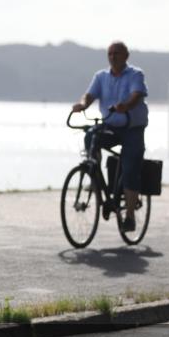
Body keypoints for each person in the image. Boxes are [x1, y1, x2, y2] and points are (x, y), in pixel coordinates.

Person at [71, 41, 148, 232]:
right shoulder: (101, 76)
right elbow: (89, 95)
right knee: (91, 136)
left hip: (132, 127)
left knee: (130, 169)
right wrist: (82, 104)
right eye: (110, 54)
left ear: (126, 56)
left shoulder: (135, 74)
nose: (113, 56)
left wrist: (125, 105)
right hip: (111, 125)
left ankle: (129, 216)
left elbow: (136, 95)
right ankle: (94, 176)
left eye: (117, 53)